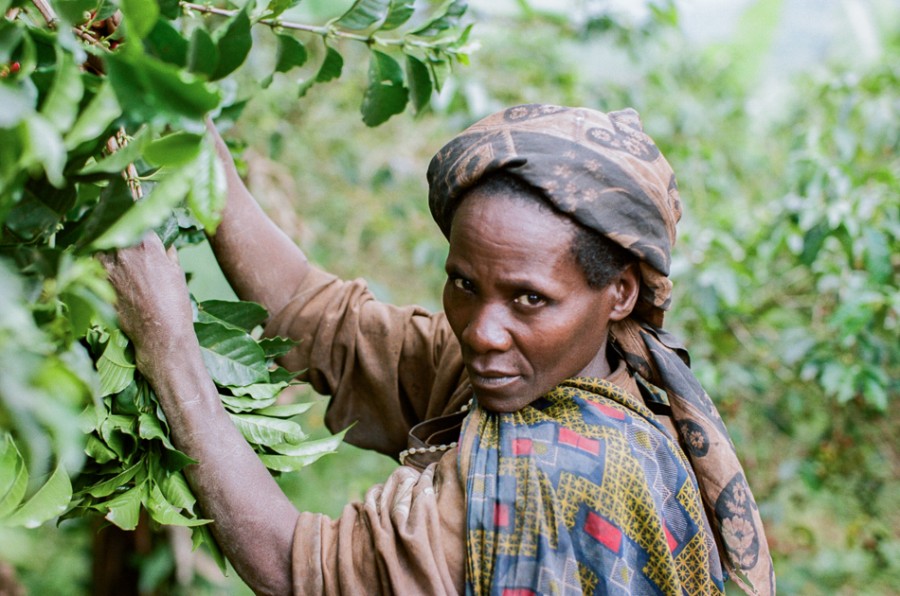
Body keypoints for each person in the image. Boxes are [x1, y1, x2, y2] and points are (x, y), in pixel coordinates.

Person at [102, 104, 775, 595]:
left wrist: (168, 345)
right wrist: (195, 142)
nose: (481, 330)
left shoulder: (558, 468)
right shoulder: (538, 374)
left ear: (620, 294)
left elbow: (295, 569)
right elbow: (320, 319)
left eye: (528, 299)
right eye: (462, 284)